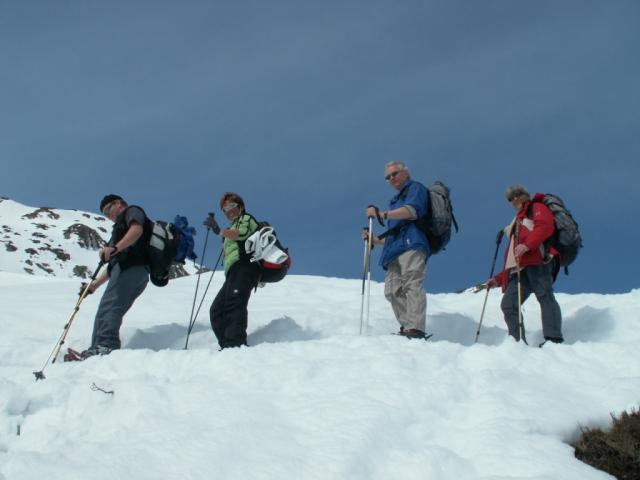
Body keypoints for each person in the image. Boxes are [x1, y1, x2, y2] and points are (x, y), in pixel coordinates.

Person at [65, 194, 151, 361]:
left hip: (133, 267)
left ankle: (106, 346)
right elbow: (113, 265)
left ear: (118, 203)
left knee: (110, 306)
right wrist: (94, 286)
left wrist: (115, 248)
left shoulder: (132, 211)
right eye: (104, 213)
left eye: (107, 209)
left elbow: (137, 230)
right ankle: (96, 348)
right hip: (127, 269)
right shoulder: (118, 228)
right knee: (106, 307)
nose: (107, 214)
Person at [487, 185, 564, 346]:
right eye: (510, 198)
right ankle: (517, 343)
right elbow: (513, 258)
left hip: (539, 261)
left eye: (516, 195)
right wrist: (497, 279)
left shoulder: (537, 207)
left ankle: (554, 338)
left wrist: (528, 245)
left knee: (545, 296)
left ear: (524, 195)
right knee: (508, 304)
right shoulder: (517, 221)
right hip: (520, 269)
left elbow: (545, 227)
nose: (514, 199)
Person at [364, 161, 430, 338]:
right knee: (392, 291)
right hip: (394, 250)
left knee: (411, 283)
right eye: (388, 177)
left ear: (406, 173)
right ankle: (408, 326)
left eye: (394, 174)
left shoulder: (415, 188)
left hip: (412, 244)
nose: (391, 178)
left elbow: (412, 211)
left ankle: (415, 328)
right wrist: (375, 240)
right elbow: (394, 233)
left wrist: (382, 214)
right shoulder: (395, 201)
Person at [205, 193, 261, 349]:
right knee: (216, 310)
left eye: (230, 206)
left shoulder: (246, 219)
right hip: (233, 271)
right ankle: (226, 346)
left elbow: (241, 233)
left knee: (234, 303)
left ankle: (235, 345)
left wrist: (219, 231)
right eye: (224, 209)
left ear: (240, 207)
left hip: (245, 266)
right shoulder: (231, 227)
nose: (227, 211)